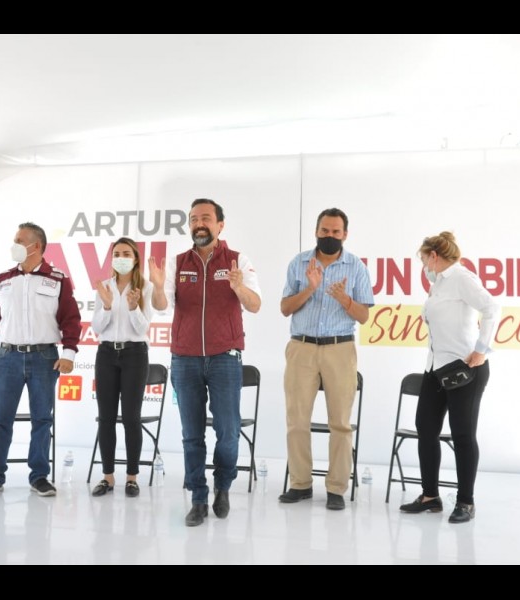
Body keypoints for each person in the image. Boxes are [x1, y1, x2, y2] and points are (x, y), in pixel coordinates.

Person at [150, 198, 261, 527]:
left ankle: (222, 487)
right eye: (194, 219)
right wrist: (157, 286)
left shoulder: (238, 260)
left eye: (206, 218)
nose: (199, 224)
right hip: (185, 359)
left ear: (220, 225)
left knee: (228, 432)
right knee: (191, 434)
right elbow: (160, 306)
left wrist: (238, 287)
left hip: (225, 357)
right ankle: (198, 497)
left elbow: (255, 305)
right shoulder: (178, 262)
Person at [0, 222, 81, 498]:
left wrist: (69, 353)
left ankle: (39, 476)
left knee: (42, 419)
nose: (15, 245)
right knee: (0, 420)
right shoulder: (2, 280)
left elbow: (71, 320)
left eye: (20, 240)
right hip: (7, 358)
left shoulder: (58, 279)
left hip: (45, 358)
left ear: (37, 246)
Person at [399, 231, 501, 523]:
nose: (424, 267)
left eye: (424, 260)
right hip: (436, 368)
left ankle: (466, 502)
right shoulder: (439, 284)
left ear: (433, 256)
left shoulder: (461, 278)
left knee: (462, 435)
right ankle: (430, 496)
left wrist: (481, 350)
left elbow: (492, 307)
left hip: (465, 369)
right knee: (425, 428)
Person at [279, 208, 374, 511]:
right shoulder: (299, 263)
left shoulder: (356, 266)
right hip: (302, 347)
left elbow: (364, 316)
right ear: (316, 231)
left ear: (345, 234)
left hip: (339, 349)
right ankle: (300, 484)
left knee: (341, 423)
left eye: (335, 232)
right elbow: (285, 308)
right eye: (324, 231)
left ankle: (336, 488)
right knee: (297, 420)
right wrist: (311, 288)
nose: (329, 236)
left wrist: (344, 299)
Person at [90, 237, 154, 499]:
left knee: (130, 417)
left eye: (126, 253)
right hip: (106, 354)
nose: (121, 258)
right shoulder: (104, 287)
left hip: (134, 355)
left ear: (135, 258)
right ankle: (107, 477)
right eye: (116, 253)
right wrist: (107, 305)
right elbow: (97, 327)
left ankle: (131, 478)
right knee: (106, 417)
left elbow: (143, 328)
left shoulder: (145, 287)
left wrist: (133, 307)